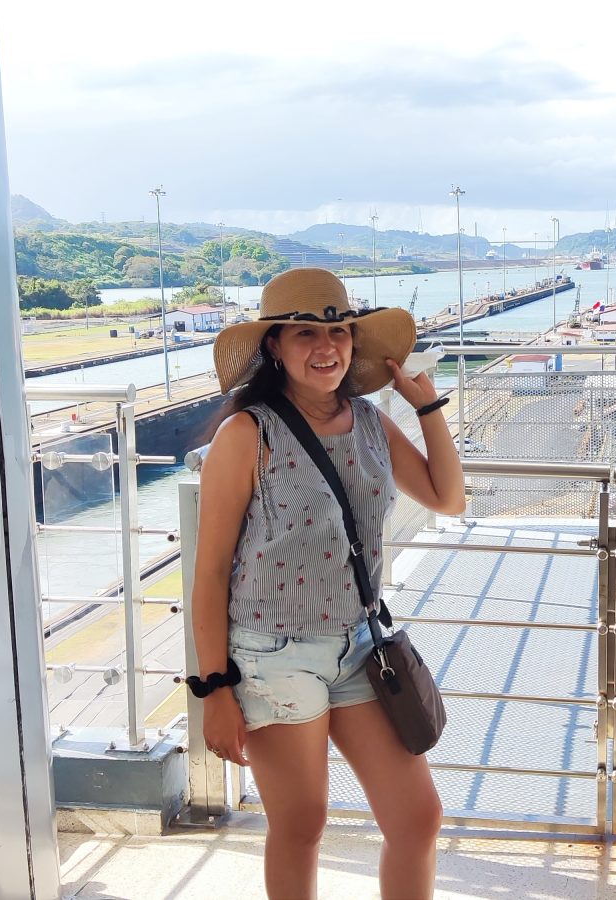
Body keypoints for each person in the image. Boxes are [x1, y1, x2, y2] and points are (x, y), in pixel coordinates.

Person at [190, 268, 465, 899]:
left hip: (360, 645)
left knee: (417, 818)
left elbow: (447, 498)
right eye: (305, 334)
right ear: (274, 347)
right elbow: (209, 572)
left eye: (339, 333)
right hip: (272, 655)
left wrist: (425, 406)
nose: (327, 348)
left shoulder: (369, 422)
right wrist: (214, 688)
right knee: (301, 824)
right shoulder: (247, 434)